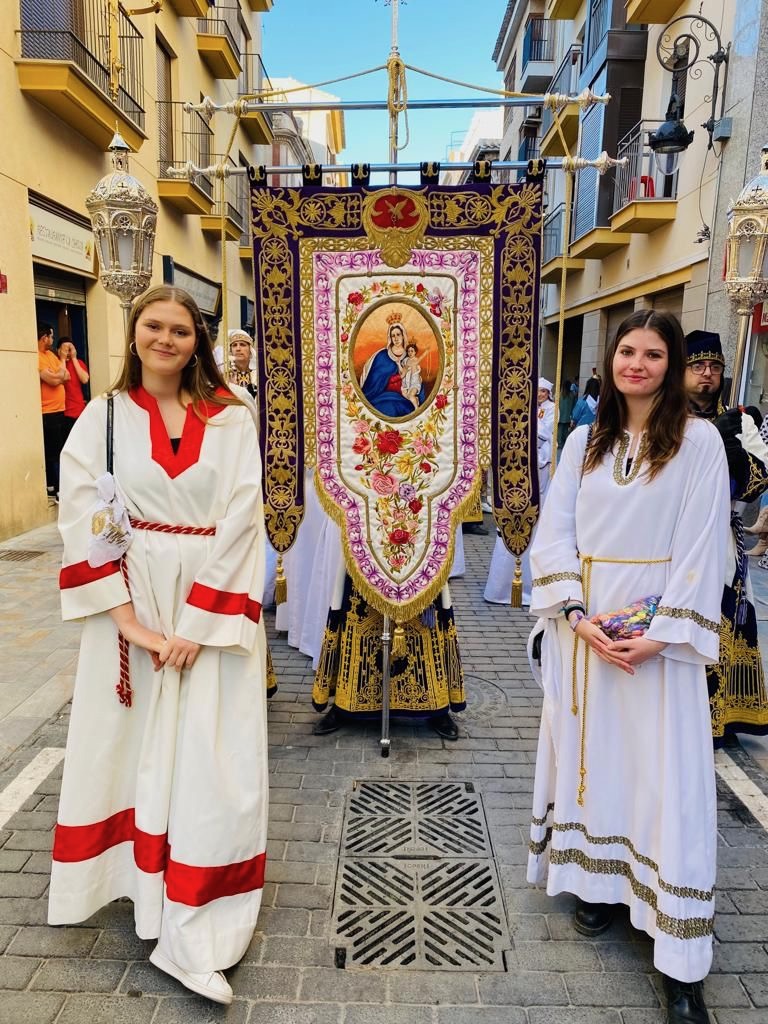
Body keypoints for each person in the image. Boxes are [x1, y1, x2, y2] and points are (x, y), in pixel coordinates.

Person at [49, 285, 269, 1006]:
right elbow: (83, 516)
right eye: (154, 326)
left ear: (197, 340)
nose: (166, 339)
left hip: (213, 610)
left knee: (213, 759)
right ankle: (145, 896)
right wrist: (132, 624)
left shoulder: (234, 417)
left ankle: (196, 924)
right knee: (136, 750)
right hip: (135, 607)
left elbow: (245, 517)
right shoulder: (101, 417)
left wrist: (199, 625)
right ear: (135, 332)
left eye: (180, 329)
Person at [527, 310, 729, 1024]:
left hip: (658, 645)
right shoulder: (585, 439)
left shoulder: (700, 443)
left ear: (672, 365)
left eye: (652, 354)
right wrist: (577, 617)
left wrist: (662, 632)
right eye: (626, 351)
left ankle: (680, 960)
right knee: (594, 761)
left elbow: (708, 545)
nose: (636, 364)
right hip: (586, 640)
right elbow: (555, 535)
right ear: (611, 360)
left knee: (666, 777)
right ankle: (596, 885)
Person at [683, 329, 768, 745]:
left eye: (714, 366)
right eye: (697, 366)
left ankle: (722, 716)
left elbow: (757, 482)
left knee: (726, 620)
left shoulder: (742, 420)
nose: (706, 374)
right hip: (677, 537)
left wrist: (732, 454)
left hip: (723, 536)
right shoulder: (666, 417)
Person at [361, 315, 424, 417]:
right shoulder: (382, 356)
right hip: (381, 395)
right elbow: (375, 381)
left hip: (405, 395)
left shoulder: (409, 356)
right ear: (390, 338)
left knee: (407, 409)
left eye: (398, 334)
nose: (396, 338)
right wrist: (395, 378)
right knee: (385, 408)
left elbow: (415, 377)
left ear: (403, 335)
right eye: (393, 335)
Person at [38, 322, 69, 502]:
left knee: (60, 449)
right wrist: (58, 376)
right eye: (51, 336)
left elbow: (66, 377)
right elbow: (52, 380)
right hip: (47, 412)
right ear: (45, 338)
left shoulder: (50, 355)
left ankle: (56, 486)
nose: (52, 339)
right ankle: (56, 489)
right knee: (53, 452)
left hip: (60, 410)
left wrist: (59, 371)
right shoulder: (38, 356)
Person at [58, 338, 89, 443]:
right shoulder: (56, 363)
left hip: (79, 410)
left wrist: (74, 358)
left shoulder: (78, 363)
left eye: (70, 349)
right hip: (63, 412)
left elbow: (84, 379)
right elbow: (61, 378)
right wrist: (62, 359)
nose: (68, 352)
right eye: (65, 349)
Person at [227, 329, 257, 398]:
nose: (238, 349)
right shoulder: (225, 375)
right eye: (234, 345)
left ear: (250, 350)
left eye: (242, 345)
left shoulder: (258, 375)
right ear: (231, 351)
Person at [400, 342, 427, 410]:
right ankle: (416, 399)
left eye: (412, 351)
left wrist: (427, 351)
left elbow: (422, 356)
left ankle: (416, 409)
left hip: (415, 383)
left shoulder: (415, 360)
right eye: (408, 351)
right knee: (404, 394)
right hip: (406, 382)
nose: (410, 353)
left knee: (411, 396)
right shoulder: (405, 360)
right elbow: (403, 370)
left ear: (415, 352)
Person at [557, 378, 576, 450]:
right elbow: (574, 405)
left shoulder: (558, 394)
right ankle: (566, 444)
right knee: (566, 431)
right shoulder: (572, 395)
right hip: (568, 416)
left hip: (559, 416)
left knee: (560, 430)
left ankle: (559, 443)